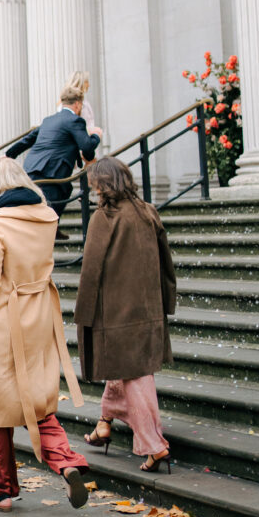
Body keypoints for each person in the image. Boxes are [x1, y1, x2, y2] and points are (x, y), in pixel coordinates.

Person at [0, 157, 89, 512]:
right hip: (38, 314)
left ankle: (3, 489)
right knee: (35, 398)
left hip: (3, 317)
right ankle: (66, 461)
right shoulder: (46, 216)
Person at [74, 156, 176, 474]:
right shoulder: (148, 211)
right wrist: (166, 302)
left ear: (103, 184)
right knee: (128, 368)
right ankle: (105, 422)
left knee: (135, 375)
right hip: (147, 308)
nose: (93, 191)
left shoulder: (104, 218)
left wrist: (84, 315)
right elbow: (166, 261)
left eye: (94, 184)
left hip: (116, 311)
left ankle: (154, 445)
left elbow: (91, 271)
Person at [6, 86, 102, 240]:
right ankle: (48, 229)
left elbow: (28, 139)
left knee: (64, 190)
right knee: (50, 203)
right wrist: (96, 136)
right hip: (52, 172)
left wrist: (9, 154)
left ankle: (53, 226)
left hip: (33, 168)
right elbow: (87, 147)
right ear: (78, 104)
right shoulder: (75, 120)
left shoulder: (49, 120)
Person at [60, 71, 99, 136]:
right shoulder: (78, 104)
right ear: (80, 83)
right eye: (87, 82)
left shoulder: (84, 103)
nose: (89, 85)